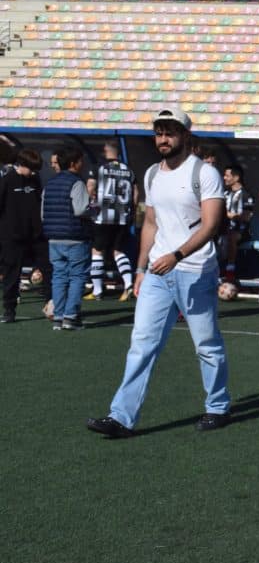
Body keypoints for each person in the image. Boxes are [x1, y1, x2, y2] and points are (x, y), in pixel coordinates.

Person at [85, 108, 231, 437]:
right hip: (157, 273)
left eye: (170, 132)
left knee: (206, 345)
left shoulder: (205, 173)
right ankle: (121, 416)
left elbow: (211, 225)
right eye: (159, 132)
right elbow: (150, 223)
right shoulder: (152, 173)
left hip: (195, 270)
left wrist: (177, 255)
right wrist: (140, 268)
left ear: (185, 136)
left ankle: (218, 406)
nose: (163, 139)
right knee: (142, 343)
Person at [42, 146, 93, 330]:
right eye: (81, 161)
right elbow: (80, 209)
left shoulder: (49, 183)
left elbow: (43, 213)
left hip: (53, 238)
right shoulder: (76, 183)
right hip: (75, 236)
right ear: (74, 163)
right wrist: (93, 209)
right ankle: (70, 317)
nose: (83, 164)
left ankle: (58, 316)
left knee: (59, 276)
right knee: (77, 276)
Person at [86, 139, 137, 301]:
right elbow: (136, 194)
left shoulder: (99, 168)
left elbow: (90, 188)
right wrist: (131, 211)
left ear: (105, 149)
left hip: (103, 216)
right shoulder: (128, 170)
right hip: (122, 217)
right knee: (118, 251)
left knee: (97, 250)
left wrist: (92, 203)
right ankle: (128, 284)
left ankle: (98, 290)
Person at [0, 148, 43, 323]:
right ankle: (9, 309)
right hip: (12, 237)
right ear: (22, 164)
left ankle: (52, 305)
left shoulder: (35, 180)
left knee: (46, 268)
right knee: (11, 274)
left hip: (35, 236)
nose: (33, 173)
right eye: (31, 168)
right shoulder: (7, 181)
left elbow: (38, 204)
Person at [221, 164, 253, 285]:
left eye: (227, 175)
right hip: (223, 229)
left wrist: (227, 214)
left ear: (236, 178)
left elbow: (246, 217)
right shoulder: (225, 194)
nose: (224, 178)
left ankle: (230, 271)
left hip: (241, 231)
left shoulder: (246, 195)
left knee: (231, 235)